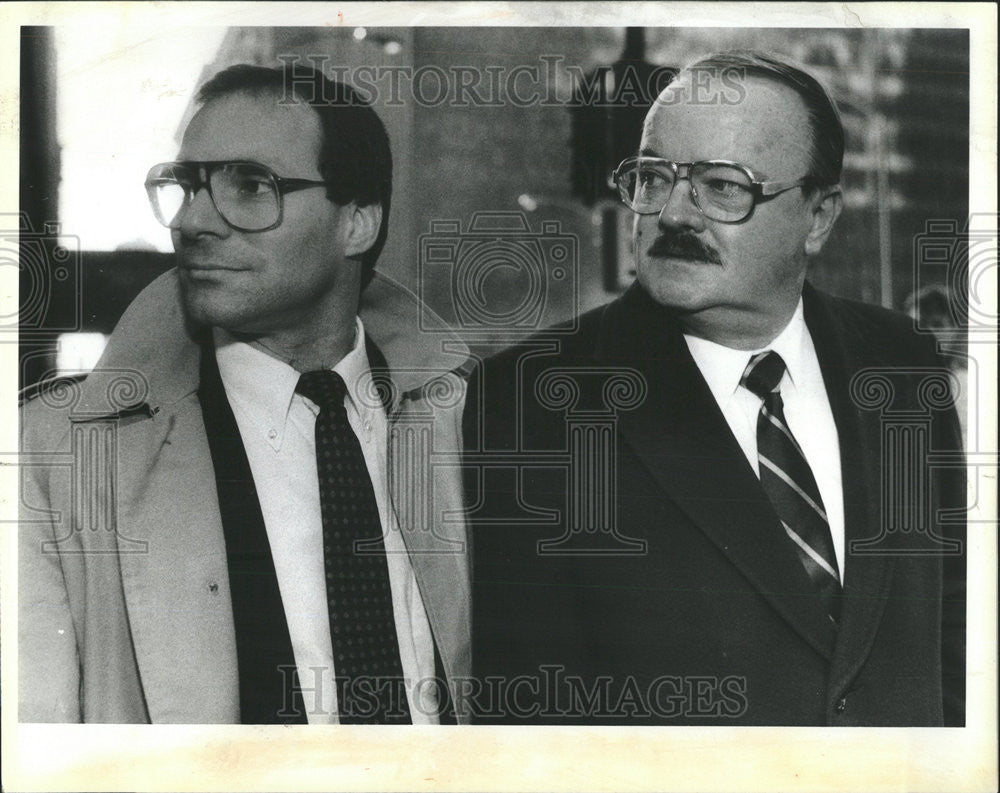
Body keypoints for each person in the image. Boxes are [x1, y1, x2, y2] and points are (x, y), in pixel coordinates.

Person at [466, 51, 965, 726]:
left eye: (723, 186)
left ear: (818, 217)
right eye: (653, 178)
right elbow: (537, 715)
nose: (674, 213)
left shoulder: (901, 363)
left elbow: (955, 636)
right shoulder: (529, 402)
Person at [19, 64, 471, 724]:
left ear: (358, 223)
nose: (195, 220)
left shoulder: (464, 421)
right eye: (188, 185)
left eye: (251, 185)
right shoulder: (50, 454)